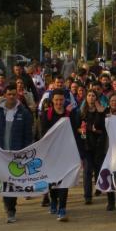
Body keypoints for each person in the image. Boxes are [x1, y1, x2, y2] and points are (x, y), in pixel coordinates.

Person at [0, 85, 33, 223]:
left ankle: (11, 209)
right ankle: (8, 206)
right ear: (5, 95)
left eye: (14, 94)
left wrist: (24, 152)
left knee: (13, 182)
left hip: (16, 155)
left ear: (17, 95)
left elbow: (27, 136)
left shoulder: (24, 113)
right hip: (1, 154)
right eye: (9, 94)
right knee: (5, 182)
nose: (12, 97)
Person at [39, 89, 76, 222]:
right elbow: (43, 134)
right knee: (52, 181)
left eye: (61, 100)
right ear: (52, 101)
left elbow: (76, 131)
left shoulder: (70, 114)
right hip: (51, 154)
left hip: (66, 154)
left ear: (64, 101)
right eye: (56, 100)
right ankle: (53, 201)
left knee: (64, 181)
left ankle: (62, 208)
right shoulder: (46, 115)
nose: (59, 103)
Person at [78, 89, 107, 206]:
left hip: (98, 144)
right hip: (86, 144)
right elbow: (78, 128)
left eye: (93, 95)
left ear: (96, 98)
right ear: (86, 98)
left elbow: (103, 127)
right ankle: (87, 196)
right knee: (87, 171)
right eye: (89, 95)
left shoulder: (101, 111)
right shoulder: (81, 112)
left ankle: (99, 187)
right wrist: (82, 130)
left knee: (98, 169)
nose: (91, 97)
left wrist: (100, 113)